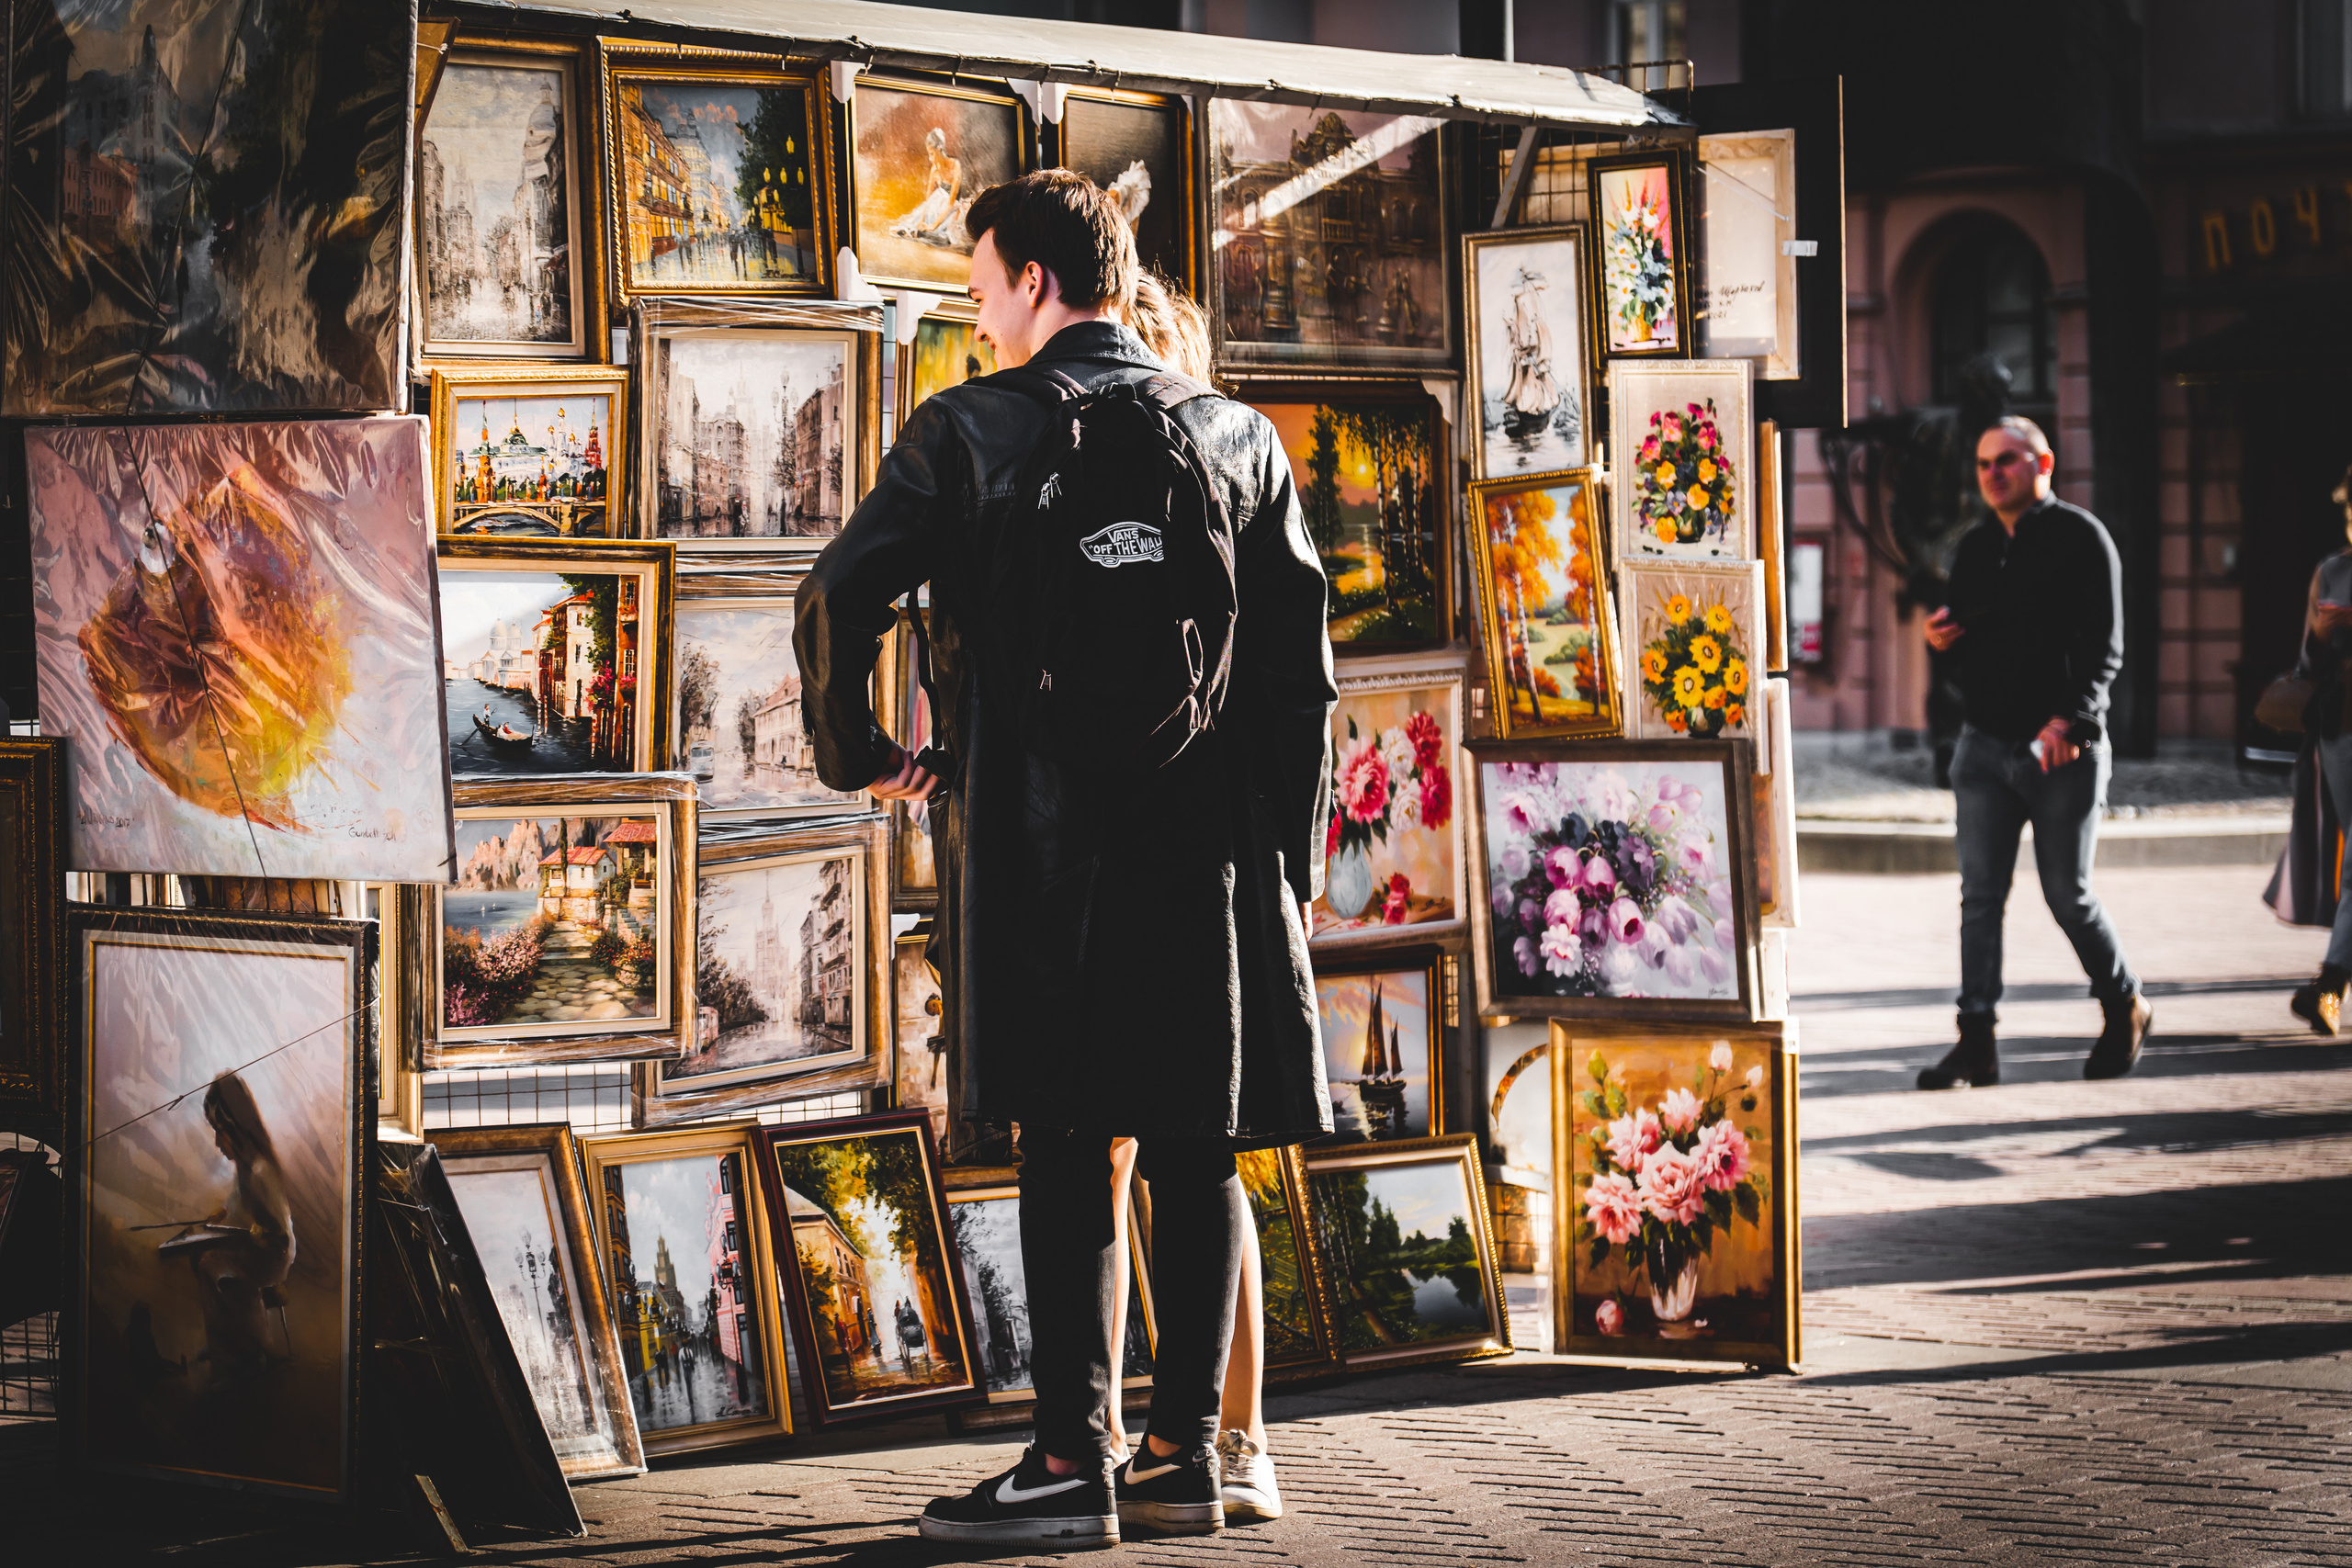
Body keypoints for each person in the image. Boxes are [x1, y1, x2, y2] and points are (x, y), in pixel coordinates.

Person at [794, 170, 1333, 1549]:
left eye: (979, 290)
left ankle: (1063, 1459)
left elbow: (838, 590)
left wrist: (862, 752)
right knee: (1196, 1146)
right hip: (1205, 858)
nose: (977, 321)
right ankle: (1185, 1459)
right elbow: (1299, 675)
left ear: (1036, 277)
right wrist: (1291, 858)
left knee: (1065, 1137)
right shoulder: (1237, 436)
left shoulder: (968, 429)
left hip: (1040, 852)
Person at [1109, 267, 1282, 1526]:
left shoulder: (1218, 464)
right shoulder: (1215, 468)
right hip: (1180, 856)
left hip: (1184, 860)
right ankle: (1144, 1429)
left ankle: (1225, 1431)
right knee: (1159, 1153)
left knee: (1175, 1154)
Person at [1917, 417, 2153, 1089]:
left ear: (2042, 462)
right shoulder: (1974, 547)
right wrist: (1944, 639)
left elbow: (2106, 645)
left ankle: (2124, 1002)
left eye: (2008, 460)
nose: (1993, 473)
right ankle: (1977, 1045)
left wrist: (2071, 722)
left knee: (2067, 894)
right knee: (1980, 898)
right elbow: (1967, 640)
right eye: (1985, 463)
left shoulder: (2083, 538)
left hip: (2063, 752)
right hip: (1984, 748)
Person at [2271, 467, 2352, 1032]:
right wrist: (2323, 640)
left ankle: (2330, 985)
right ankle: (2331, 983)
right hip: (2343, 728)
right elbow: (2306, 667)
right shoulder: (2333, 572)